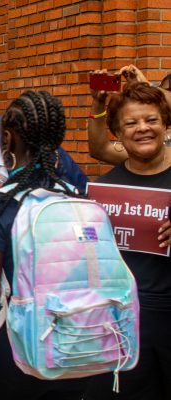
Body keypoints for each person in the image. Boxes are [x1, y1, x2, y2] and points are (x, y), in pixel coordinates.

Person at [0, 91, 91, 400]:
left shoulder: (0, 206)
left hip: (19, 349)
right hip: (79, 346)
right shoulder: (77, 194)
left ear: (4, 136)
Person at [84, 82, 171, 399]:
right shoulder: (102, 191)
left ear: (165, 125)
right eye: (131, 123)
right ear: (118, 135)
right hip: (117, 324)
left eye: (151, 120)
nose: (143, 129)